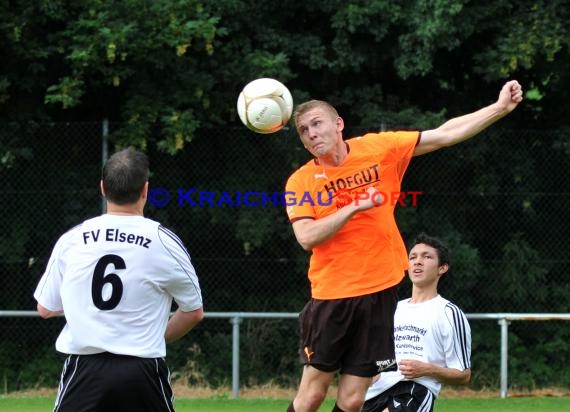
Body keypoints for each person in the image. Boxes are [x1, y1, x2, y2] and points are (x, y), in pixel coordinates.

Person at [285, 80, 522, 412]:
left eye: (317, 123)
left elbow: (444, 135)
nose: (310, 133)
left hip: (381, 291)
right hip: (332, 294)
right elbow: (307, 237)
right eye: (303, 130)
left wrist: (498, 108)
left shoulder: (379, 148)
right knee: (312, 395)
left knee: (353, 400)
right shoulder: (301, 181)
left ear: (338, 124)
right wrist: (354, 206)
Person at [33, 148, 204, 412]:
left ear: (102, 188)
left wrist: (83, 308)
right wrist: (155, 337)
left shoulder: (73, 239)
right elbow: (193, 312)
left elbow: (45, 308)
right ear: (146, 190)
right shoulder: (164, 242)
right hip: (143, 369)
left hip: (84, 370)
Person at [362, 233, 471, 412]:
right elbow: (384, 358)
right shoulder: (392, 309)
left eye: (426, 257)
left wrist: (427, 370)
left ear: (442, 268)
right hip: (374, 393)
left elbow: (464, 375)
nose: (417, 261)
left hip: (414, 390)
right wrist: (373, 371)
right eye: (413, 257)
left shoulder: (448, 313)